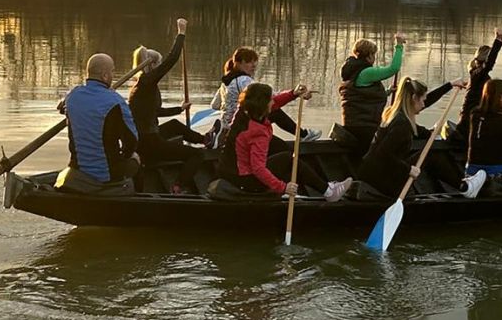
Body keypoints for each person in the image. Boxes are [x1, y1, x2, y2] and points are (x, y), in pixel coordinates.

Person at [218, 82, 352, 201]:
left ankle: (297, 183)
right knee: (287, 159)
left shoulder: (244, 111)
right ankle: (328, 191)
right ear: (262, 104)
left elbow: (275, 103)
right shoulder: (257, 133)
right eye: (269, 100)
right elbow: (257, 168)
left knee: (280, 147)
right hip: (245, 181)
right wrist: (283, 187)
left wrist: (293, 94)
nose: (272, 102)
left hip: (229, 172)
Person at [355, 76, 470, 199]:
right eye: (422, 100)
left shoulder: (395, 114)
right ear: (414, 98)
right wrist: (408, 169)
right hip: (381, 180)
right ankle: (464, 187)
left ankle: (463, 185)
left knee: (429, 152)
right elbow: (383, 154)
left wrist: (450, 85)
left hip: (373, 173)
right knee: (431, 156)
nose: (424, 104)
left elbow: (426, 102)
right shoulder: (402, 125)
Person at [128, 18, 205, 194]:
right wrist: (181, 33)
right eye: (159, 65)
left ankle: (206, 140)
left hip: (145, 138)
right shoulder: (147, 82)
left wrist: (179, 109)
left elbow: (155, 112)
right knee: (197, 155)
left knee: (175, 126)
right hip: (149, 143)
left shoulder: (141, 87)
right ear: (153, 65)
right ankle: (178, 185)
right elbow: (172, 60)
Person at [211, 47, 320, 146]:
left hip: (227, 127)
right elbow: (270, 99)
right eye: (249, 62)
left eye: (254, 62)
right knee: (274, 111)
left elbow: (215, 105)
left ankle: (302, 135)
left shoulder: (226, 82)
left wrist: (233, 105)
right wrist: (294, 93)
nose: (253, 65)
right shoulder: (244, 80)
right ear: (238, 63)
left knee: (269, 109)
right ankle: (303, 135)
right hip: (241, 128)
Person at [60, 53, 139, 183]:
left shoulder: (72, 96)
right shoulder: (116, 102)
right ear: (105, 75)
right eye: (112, 71)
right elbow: (132, 142)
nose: (113, 76)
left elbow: (62, 107)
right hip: (107, 175)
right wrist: (123, 156)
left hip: (77, 170)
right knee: (136, 158)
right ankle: (134, 197)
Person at [338, 34, 406, 158]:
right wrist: (399, 45)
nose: (374, 58)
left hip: (352, 124)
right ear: (368, 56)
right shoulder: (366, 72)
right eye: (373, 55)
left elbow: (363, 96)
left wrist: (387, 91)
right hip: (365, 127)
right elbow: (394, 69)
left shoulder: (353, 71)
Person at [455, 28, 502, 138]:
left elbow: (496, 97)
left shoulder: (483, 77)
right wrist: (498, 40)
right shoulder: (476, 75)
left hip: (479, 119)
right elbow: (488, 64)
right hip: (469, 124)